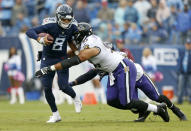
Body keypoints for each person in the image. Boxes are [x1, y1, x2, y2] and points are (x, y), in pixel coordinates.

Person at [35, 22, 172, 122]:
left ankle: (158, 109)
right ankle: (153, 109)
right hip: (113, 72)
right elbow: (70, 54)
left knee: (128, 101)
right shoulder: (87, 42)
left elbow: (77, 59)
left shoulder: (91, 46)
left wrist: (50, 68)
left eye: (77, 34)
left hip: (122, 67)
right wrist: (48, 55)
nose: (75, 37)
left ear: (82, 34)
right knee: (112, 100)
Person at [26, 4, 82, 123]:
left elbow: (77, 39)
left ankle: (76, 98)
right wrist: (39, 39)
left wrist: (78, 48)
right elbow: (30, 31)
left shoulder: (72, 27)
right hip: (48, 58)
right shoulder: (50, 25)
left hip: (62, 58)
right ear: (58, 17)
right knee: (47, 87)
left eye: (68, 19)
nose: (66, 22)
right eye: (64, 19)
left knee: (63, 86)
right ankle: (55, 114)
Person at [177, 38, 191, 104]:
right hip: (182, 73)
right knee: (180, 88)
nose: (188, 45)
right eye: (187, 44)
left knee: (190, 88)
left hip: (189, 73)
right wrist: (179, 70)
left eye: (189, 44)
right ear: (185, 45)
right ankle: (179, 101)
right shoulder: (182, 52)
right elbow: (179, 62)